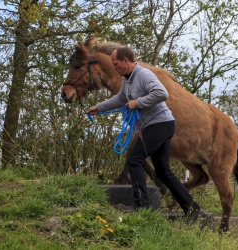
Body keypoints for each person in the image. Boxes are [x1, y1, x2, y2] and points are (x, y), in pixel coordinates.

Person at [87, 46, 203, 222]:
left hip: (160, 124)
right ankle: (193, 209)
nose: (114, 67)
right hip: (157, 125)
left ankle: (143, 207)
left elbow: (161, 93)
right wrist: (98, 107)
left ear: (126, 61)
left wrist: (138, 102)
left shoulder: (144, 75)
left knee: (134, 159)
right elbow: (120, 99)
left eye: (116, 64)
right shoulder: (127, 79)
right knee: (163, 171)